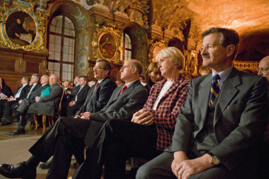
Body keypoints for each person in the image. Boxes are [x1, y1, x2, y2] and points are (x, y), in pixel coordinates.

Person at [136, 27, 269, 179]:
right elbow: (184, 119)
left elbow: (247, 130)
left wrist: (206, 161)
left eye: (210, 47)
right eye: (202, 47)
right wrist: (179, 154)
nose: (202, 52)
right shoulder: (197, 83)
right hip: (190, 148)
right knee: (145, 173)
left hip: (227, 154)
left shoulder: (254, 83)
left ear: (229, 50)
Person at [0, 59, 148, 179]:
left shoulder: (139, 91)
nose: (120, 70)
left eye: (124, 67)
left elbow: (122, 116)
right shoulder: (119, 88)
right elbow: (105, 109)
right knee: (64, 136)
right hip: (97, 123)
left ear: (134, 70)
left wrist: (91, 116)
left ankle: (29, 166)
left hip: (108, 131)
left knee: (62, 122)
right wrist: (84, 116)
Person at [70, 47, 190, 179]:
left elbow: (177, 119)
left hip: (163, 136)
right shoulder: (157, 86)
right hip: (145, 129)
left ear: (175, 62)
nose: (158, 65)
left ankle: (83, 175)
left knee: (112, 125)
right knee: (113, 148)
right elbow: (145, 109)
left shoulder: (186, 85)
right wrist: (139, 116)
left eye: (162, 60)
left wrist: (151, 116)